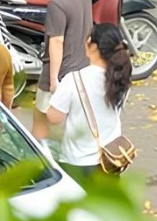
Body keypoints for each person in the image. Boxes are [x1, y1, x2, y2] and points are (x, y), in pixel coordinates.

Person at [45, 23, 133, 173]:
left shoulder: (74, 79)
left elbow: (53, 118)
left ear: (93, 46)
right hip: (111, 159)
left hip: (78, 163)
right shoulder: (122, 79)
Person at [33, 0, 93, 143]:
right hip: (82, 68)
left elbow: (56, 42)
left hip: (62, 72)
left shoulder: (57, 3)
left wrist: (52, 80)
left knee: (41, 124)